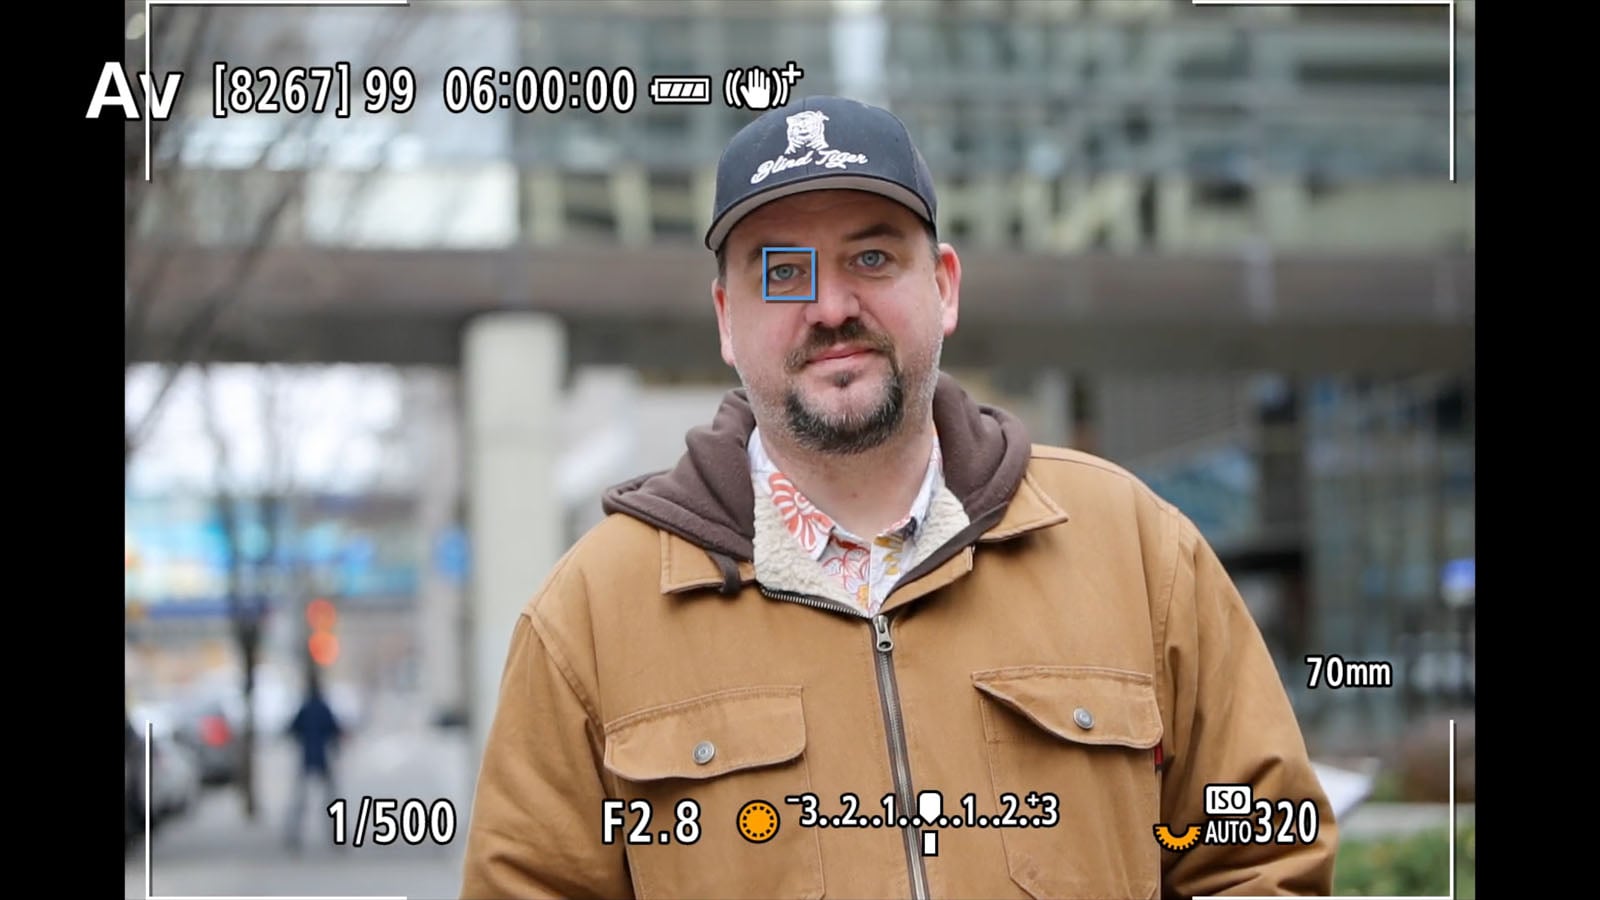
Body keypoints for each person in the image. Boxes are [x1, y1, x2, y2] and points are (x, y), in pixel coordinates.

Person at [459, 95, 1337, 899]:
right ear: (727, 318)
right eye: (781, 271)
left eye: (873, 257)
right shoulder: (590, 618)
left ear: (944, 286)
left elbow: (1265, 858)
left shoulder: (1138, 550)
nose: (832, 305)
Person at [283, 668, 344, 850]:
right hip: (321, 758)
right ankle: (335, 834)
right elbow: (335, 730)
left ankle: (295, 835)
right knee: (327, 799)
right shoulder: (321, 707)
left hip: (309, 757)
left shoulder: (307, 708)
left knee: (303, 800)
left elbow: (291, 729)